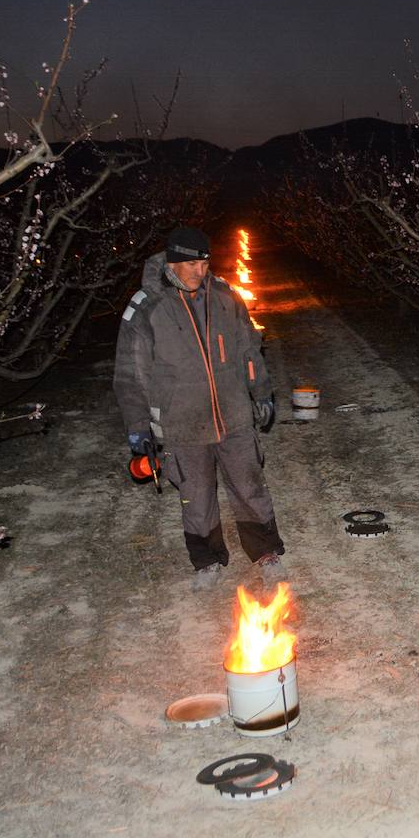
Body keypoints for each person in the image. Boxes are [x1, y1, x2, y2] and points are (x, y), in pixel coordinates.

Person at [113, 226, 288, 591]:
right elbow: (131, 374)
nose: (199, 272)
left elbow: (249, 351)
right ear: (171, 263)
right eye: (189, 265)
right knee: (196, 495)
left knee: (250, 485)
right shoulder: (146, 308)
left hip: (234, 414)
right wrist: (138, 427)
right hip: (182, 422)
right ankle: (207, 560)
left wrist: (262, 393)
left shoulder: (226, 298)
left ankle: (266, 551)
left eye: (204, 263)